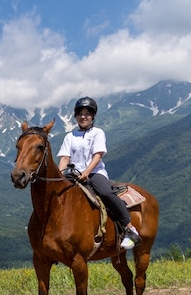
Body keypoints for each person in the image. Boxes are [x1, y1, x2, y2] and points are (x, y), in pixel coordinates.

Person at [57, 97, 141, 250]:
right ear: (76, 116)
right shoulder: (70, 136)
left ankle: (130, 229)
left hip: (95, 173)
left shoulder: (97, 133)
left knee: (106, 193)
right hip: (73, 175)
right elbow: (64, 157)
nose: (83, 117)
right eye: (80, 113)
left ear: (93, 116)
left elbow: (98, 155)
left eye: (87, 114)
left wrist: (86, 172)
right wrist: (60, 175)